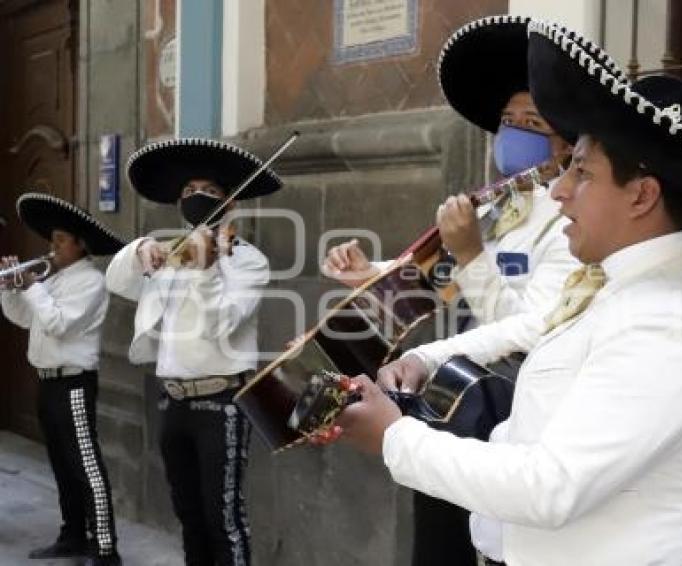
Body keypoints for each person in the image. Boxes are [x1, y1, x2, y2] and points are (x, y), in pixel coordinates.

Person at [326, 21, 682, 566]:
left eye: (582, 171)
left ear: (642, 195)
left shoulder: (669, 322)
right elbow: (534, 325)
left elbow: (551, 486)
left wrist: (394, 439)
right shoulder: (621, 281)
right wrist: (423, 360)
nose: (558, 189)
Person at [322, 15, 620, 566]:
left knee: (473, 541)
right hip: (456, 394)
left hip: (512, 405)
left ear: (565, 145)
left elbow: (532, 325)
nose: (513, 133)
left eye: (531, 121)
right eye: (508, 120)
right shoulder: (506, 199)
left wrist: (472, 255)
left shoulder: (572, 224)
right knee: (434, 536)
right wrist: (374, 271)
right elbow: (442, 277)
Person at [105, 138, 282, 566]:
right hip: (174, 400)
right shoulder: (170, 255)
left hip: (222, 402)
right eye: (187, 191)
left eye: (209, 191)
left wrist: (207, 271)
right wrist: (138, 250)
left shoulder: (248, 262)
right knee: (189, 517)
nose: (195, 197)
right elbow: (118, 282)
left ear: (231, 204)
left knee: (224, 520)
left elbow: (222, 325)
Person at [1, 192, 126, 566]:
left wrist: (33, 286)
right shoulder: (54, 280)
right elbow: (25, 318)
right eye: (51, 240)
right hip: (48, 382)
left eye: (59, 241)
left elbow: (56, 322)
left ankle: (105, 547)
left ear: (79, 244)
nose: (51, 248)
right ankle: (72, 534)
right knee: (61, 464)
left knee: (86, 464)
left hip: (73, 383)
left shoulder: (90, 281)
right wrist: (10, 290)